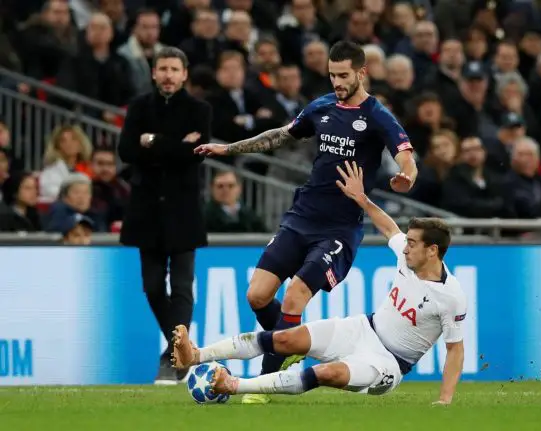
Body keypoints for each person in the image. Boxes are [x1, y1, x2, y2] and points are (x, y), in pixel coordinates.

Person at [195, 40, 418, 404]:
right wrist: (229, 148)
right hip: (301, 217)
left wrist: (406, 176)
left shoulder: (378, 116)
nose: (337, 82)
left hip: (339, 229)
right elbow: (280, 136)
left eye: (343, 75)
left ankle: (265, 381)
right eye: (332, 75)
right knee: (257, 295)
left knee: (296, 293)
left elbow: (406, 155)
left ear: (362, 73)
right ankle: (291, 346)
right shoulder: (322, 106)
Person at [171, 161, 465, 404]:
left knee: (327, 373)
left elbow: (455, 349)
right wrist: (361, 198)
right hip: (363, 328)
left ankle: (234, 385)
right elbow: (389, 228)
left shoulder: (450, 296)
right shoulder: (407, 257)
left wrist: (445, 399)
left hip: (388, 362)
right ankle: (195, 355)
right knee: (285, 339)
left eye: (412, 244)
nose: (405, 248)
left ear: (432, 251)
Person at [118, 46, 212, 384]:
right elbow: (126, 150)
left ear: (184, 74)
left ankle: (173, 357)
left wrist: (153, 141)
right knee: (153, 286)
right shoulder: (139, 107)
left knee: (182, 286)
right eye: (163, 69)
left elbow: (196, 153)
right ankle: (180, 349)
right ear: (154, 73)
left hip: (183, 210)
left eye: (174, 69)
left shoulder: (199, 109)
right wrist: (175, 145)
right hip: (146, 210)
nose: (168, 75)